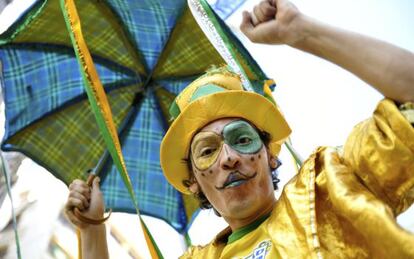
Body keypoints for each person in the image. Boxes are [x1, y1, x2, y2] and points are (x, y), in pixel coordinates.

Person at [64, 0, 414, 258]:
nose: (229, 158)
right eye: (207, 151)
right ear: (193, 183)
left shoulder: (328, 192)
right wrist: (92, 229)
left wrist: (303, 33)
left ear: (270, 157)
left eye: (242, 140)